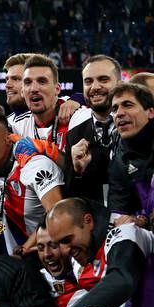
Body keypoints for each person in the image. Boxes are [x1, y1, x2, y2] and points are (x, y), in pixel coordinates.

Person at [0, 109, 63, 255]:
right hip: (13, 257)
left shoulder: (34, 165)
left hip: (50, 252)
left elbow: (56, 212)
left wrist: (25, 249)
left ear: (8, 138)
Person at [63, 55, 121, 201]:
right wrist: (77, 171)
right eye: (88, 81)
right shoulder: (74, 134)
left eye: (103, 79)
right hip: (93, 220)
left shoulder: (135, 126)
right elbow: (71, 195)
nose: (95, 87)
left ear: (119, 85)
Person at [106, 82, 154, 223]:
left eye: (128, 105)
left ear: (150, 112)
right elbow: (118, 212)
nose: (119, 113)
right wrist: (136, 220)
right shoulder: (119, 160)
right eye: (115, 109)